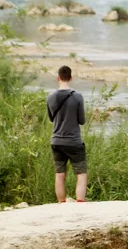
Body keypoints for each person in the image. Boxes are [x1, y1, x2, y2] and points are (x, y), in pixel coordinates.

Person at [47, 66, 87, 203]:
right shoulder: (77, 96)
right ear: (70, 78)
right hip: (74, 142)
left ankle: (62, 204)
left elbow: (51, 118)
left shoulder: (51, 97)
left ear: (58, 78)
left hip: (56, 141)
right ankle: (80, 203)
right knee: (81, 174)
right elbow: (82, 121)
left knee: (59, 175)